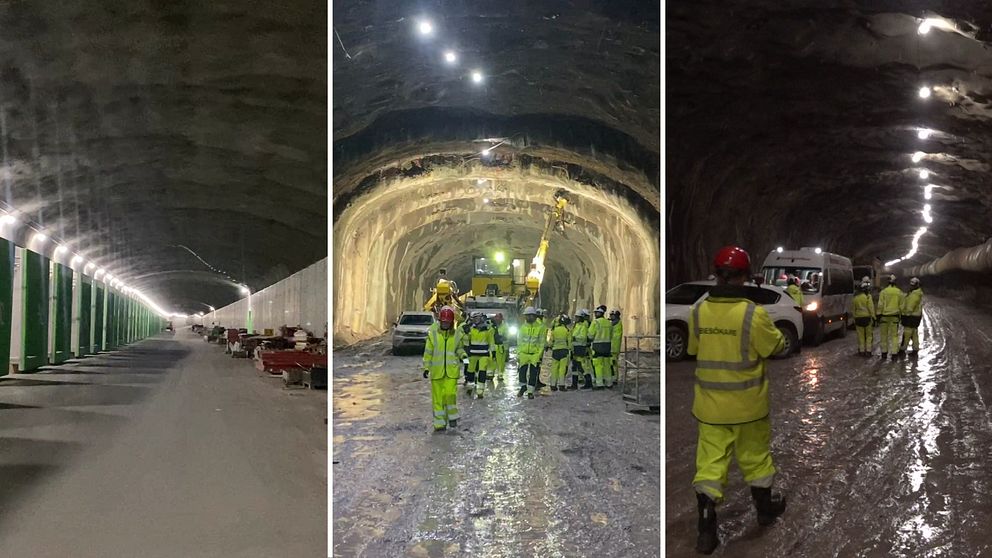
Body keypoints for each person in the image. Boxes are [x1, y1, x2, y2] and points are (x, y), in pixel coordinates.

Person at [688, 246, 787, 554]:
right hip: (748, 407)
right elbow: (776, 347)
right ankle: (765, 511)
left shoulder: (698, 311)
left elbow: (693, 349)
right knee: (756, 459)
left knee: (710, 465)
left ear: (716, 275)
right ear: (746, 276)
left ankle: (706, 528)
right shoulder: (752, 314)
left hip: (710, 408)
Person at [422, 306, 467, 431]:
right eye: (444, 322)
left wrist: (464, 356)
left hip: (451, 371)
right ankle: (439, 423)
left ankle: (452, 417)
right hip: (437, 373)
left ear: (452, 322)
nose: (445, 324)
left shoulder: (457, 334)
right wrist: (426, 367)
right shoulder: (433, 333)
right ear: (440, 321)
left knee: (450, 394)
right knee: (438, 398)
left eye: (448, 322)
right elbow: (428, 352)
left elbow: (459, 348)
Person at [517, 307, 544, 399]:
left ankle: (530, 391)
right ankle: (523, 387)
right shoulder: (523, 327)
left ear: (534, 316)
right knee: (522, 372)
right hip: (524, 353)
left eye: (530, 315)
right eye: (527, 316)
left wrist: (539, 354)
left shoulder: (540, 327)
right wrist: (519, 352)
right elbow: (519, 341)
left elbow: (541, 342)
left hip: (535, 354)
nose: (528, 317)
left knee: (533, 373)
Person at [465, 312, 494, 398]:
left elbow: (491, 342)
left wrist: (493, 353)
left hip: (484, 354)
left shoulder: (488, 329)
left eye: (477, 318)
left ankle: (480, 390)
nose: (476, 320)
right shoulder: (470, 329)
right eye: (474, 318)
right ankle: (470, 387)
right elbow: (466, 340)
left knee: (482, 371)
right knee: (470, 371)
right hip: (472, 354)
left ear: (481, 318)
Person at [876, 274, 903, 360]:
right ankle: (894, 354)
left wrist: (878, 315)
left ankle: (884, 353)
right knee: (894, 336)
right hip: (895, 317)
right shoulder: (899, 292)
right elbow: (902, 306)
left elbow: (880, 305)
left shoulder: (883, 292)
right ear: (896, 282)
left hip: (884, 317)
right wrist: (901, 316)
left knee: (884, 335)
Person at [587, 305, 613, 389]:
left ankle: (599, 383)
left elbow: (590, 335)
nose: (595, 314)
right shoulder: (608, 323)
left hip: (597, 346)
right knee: (607, 365)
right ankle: (609, 383)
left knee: (598, 365)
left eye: (596, 313)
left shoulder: (595, 322)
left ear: (598, 313)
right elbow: (611, 335)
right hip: (607, 346)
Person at [899, 277, 924, 357]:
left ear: (916, 285)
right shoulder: (915, 292)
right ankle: (915, 349)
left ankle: (903, 349)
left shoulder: (914, 294)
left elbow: (910, 307)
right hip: (916, 316)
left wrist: (903, 315)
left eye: (912, 285)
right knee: (914, 333)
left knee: (907, 333)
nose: (911, 286)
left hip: (911, 317)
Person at [852, 280, 876, 356]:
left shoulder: (855, 298)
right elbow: (871, 308)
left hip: (858, 319)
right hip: (867, 318)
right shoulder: (868, 297)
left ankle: (861, 351)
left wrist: (854, 318)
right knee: (869, 336)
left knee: (860, 336)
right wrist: (874, 317)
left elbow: (853, 309)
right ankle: (868, 351)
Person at [548, 314, 571, 391]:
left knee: (554, 368)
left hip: (555, 351)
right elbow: (569, 342)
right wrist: (571, 349)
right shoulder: (567, 330)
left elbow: (551, 341)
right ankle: (561, 385)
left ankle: (553, 385)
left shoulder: (555, 330)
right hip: (564, 351)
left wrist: (550, 346)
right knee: (562, 369)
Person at [571, 309, 592, 390]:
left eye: (577, 317)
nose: (575, 319)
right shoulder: (577, 325)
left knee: (581, 366)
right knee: (574, 367)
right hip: (575, 348)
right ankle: (574, 384)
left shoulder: (584, 326)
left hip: (580, 348)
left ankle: (588, 381)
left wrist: (574, 338)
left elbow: (583, 337)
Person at [489, 313, 509, 382]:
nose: (497, 319)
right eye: (496, 318)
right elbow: (490, 335)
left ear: (501, 319)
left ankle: (500, 374)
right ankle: (491, 374)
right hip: (493, 345)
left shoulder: (505, 326)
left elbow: (507, 336)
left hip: (501, 346)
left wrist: (501, 337)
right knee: (493, 360)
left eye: (498, 318)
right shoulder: (492, 327)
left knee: (501, 362)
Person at [609, 309, 623, 387]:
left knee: (613, 363)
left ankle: (614, 378)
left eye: (612, 315)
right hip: (614, 347)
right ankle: (613, 378)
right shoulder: (616, 323)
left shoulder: (616, 323)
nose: (610, 317)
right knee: (613, 363)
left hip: (614, 347)